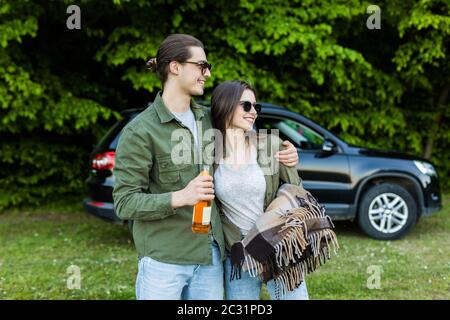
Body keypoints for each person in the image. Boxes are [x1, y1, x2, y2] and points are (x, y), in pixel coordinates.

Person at [112, 34, 299, 300]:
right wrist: (181, 197)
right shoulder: (140, 131)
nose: (207, 73)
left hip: (209, 256)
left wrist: (287, 152)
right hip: (165, 259)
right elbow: (124, 202)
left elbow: (248, 135)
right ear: (175, 67)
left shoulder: (208, 119)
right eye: (202, 65)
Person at [211, 80, 309, 300]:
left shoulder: (270, 145)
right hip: (239, 253)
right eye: (246, 105)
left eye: (256, 107)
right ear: (225, 106)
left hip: (279, 246)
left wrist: (292, 163)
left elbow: (297, 191)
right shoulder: (209, 154)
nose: (253, 112)